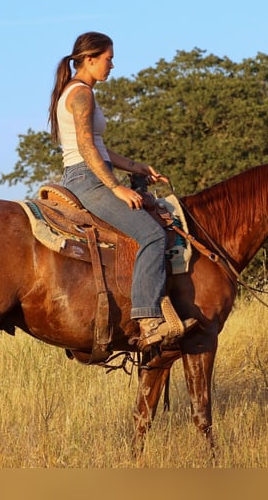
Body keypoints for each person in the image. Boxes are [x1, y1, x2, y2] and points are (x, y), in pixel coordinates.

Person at [48, 31, 195, 352]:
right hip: (88, 179)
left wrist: (135, 166)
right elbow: (87, 149)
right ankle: (148, 319)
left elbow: (99, 147)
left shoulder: (78, 91)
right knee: (153, 235)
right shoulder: (82, 94)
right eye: (108, 58)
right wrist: (116, 187)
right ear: (89, 59)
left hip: (90, 173)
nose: (112, 65)